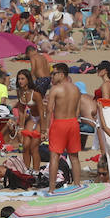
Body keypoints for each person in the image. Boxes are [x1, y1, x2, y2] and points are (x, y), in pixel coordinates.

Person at [44, 62, 82, 190]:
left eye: (54, 74)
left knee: (54, 156)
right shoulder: (76, 89)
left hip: (59, 123)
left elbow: (49, 110)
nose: (52, 77)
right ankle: (77, 185)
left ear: (61, 74)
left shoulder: (55, 89)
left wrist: (46, 128)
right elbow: (77, 111)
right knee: (74, 156)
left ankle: (51, 189)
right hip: (73, 123)